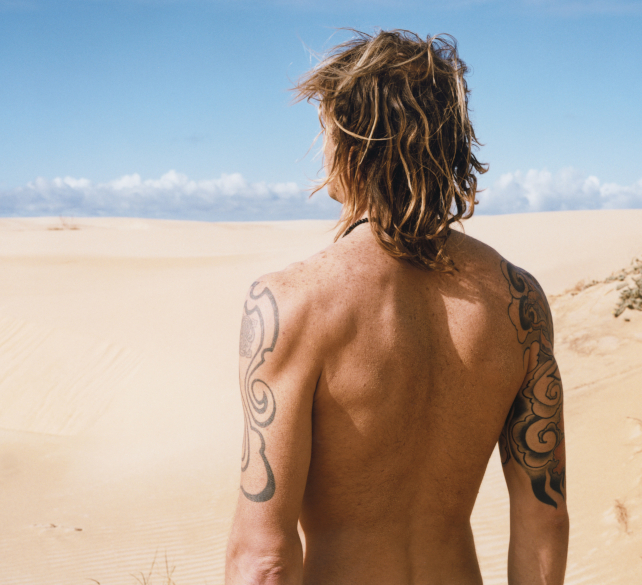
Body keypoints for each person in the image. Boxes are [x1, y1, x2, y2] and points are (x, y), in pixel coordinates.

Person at [226, 30, 568, 584]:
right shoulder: (517, 302)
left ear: (355, 140)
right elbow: (543, 520)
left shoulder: (291, 303)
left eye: (328, 131)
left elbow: (262, 557)